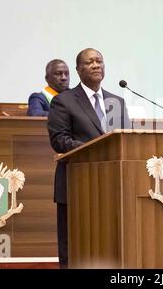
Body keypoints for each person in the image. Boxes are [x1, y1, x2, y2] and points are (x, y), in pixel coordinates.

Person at [47, 48, 130, 268]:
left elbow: (125, 141)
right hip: (77, 184)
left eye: (99, 61)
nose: (95, 65)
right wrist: (97, 149)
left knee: (109, 247)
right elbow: (59, 140)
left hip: (112, 188)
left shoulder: (117, 102)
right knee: (74, 248)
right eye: (89, 62)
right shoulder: (64, 101)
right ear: (78, 69)